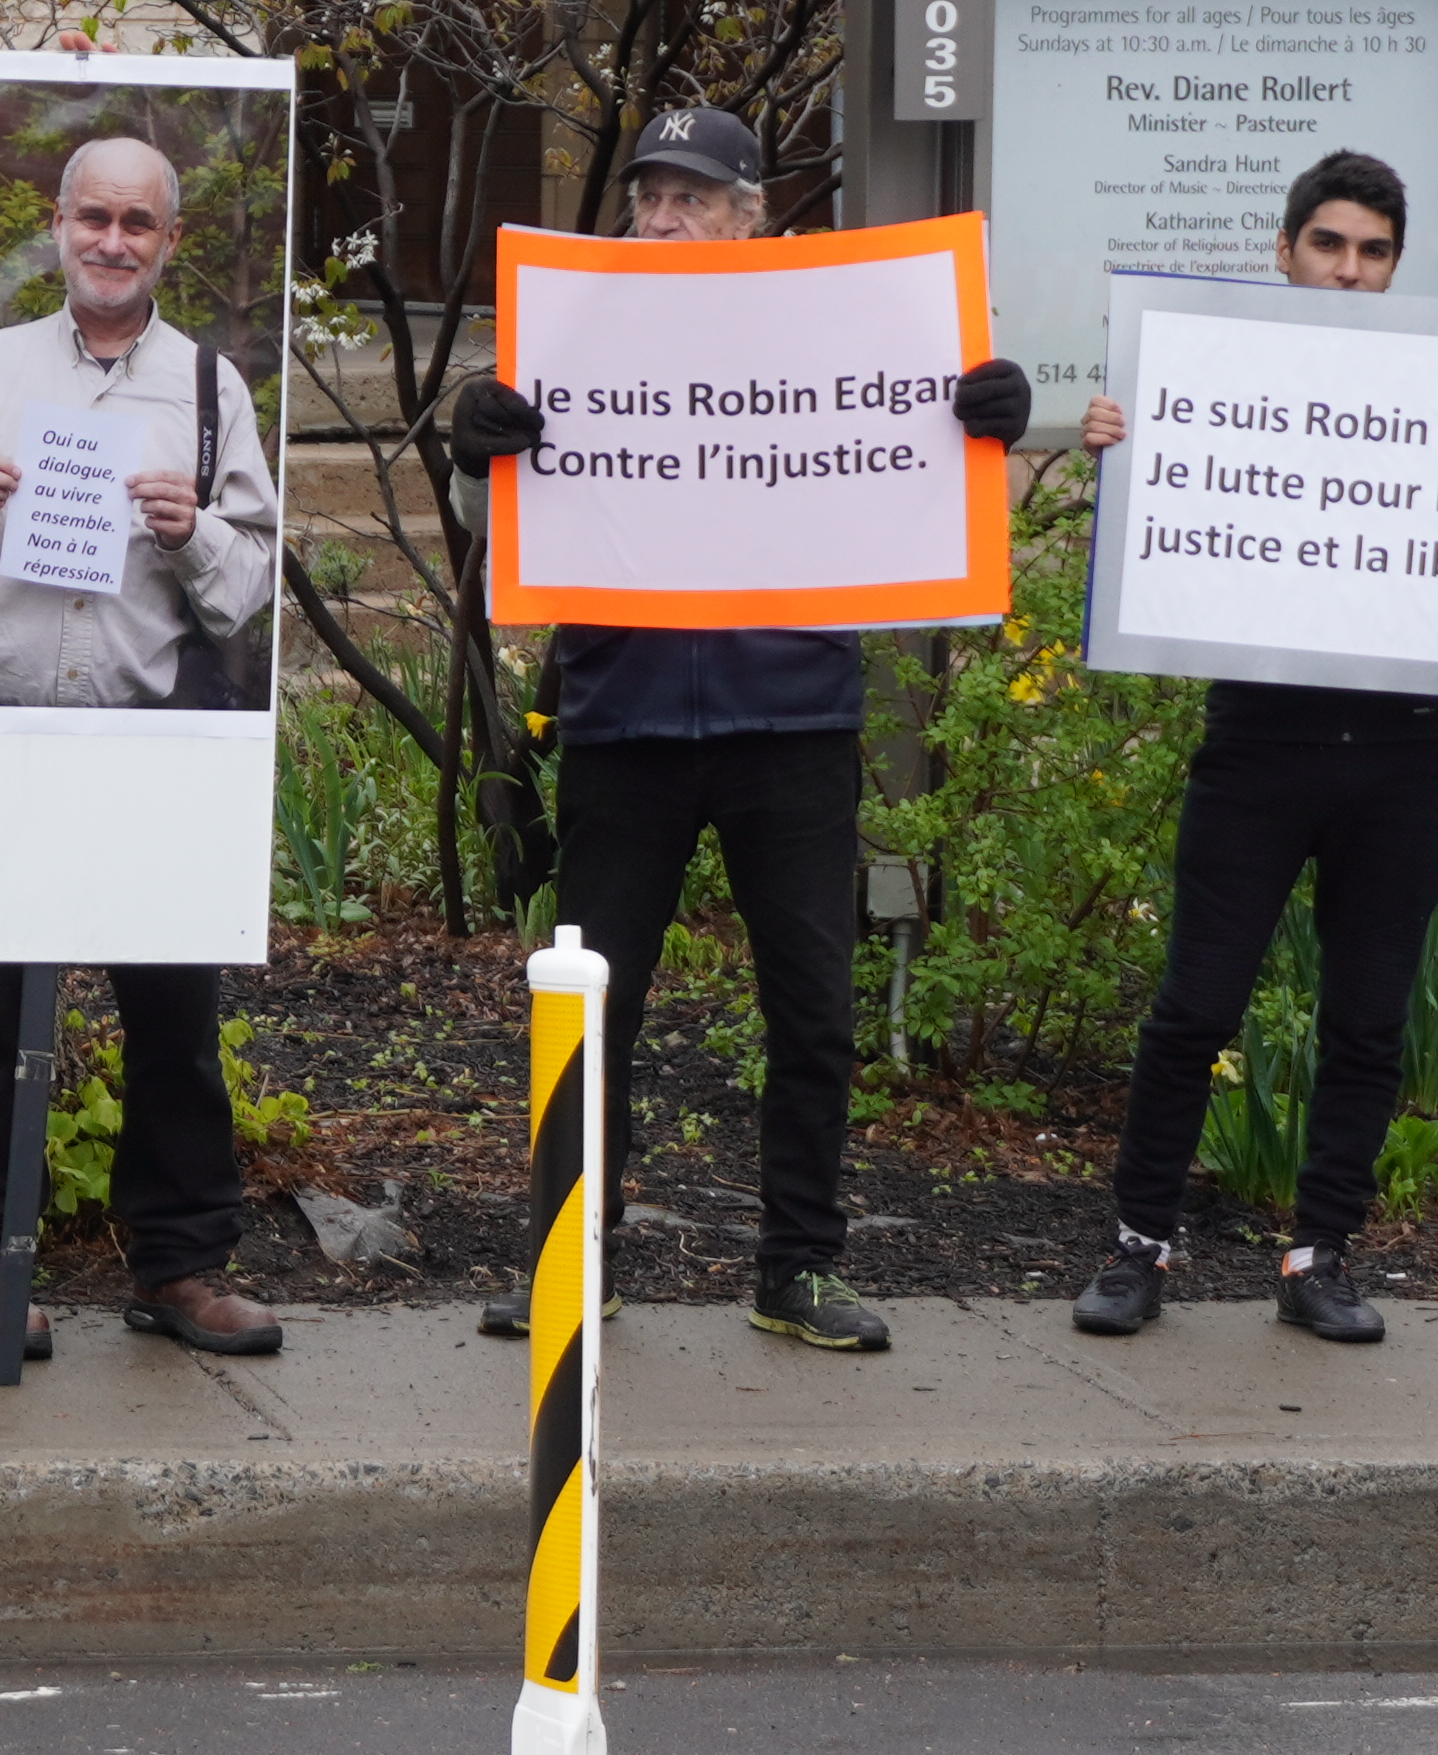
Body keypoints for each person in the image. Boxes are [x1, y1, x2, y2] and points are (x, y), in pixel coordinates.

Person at [441, 106, 1034, 1356]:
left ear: (753, 214)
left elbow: (908, 452)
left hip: (795, 722)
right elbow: (504, 525)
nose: (662, 220)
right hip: (624, 722)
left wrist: (983, 424)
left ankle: (798, 1267)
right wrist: (472, 449)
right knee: (594, 1005)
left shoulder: (835, 331)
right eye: (649, 197)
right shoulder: (576, 339)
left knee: (811, 1006)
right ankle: (572, 1260)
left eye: (693, 199)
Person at [1064, 148, 1438, 1348]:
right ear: (1285, 252)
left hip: (1400, 753)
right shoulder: (1201, 375)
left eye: (1373, 251)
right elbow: (1158, 521)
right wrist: (1113, 441)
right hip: (1258, 749)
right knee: (1193, 1007)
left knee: (1370, 1021)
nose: (1348, 269)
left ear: (1393, 266)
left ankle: (1318, 1256)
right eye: (1327, 244)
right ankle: (1138, 1248)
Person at [0, 132, 291, 1362]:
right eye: (93, 218)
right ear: (58, 226)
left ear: (169, 241)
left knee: (174, 1008)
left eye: (137, 224)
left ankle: (179, 1268)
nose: (112, 241)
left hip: (149, 736)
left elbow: (251, 583)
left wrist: (192, 529)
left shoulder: (212, 389)